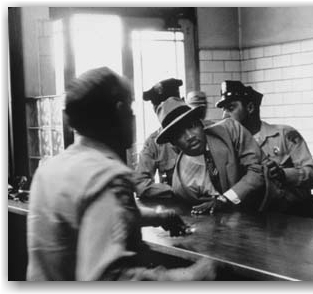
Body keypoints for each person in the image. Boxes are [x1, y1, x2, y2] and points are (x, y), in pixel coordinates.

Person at [26, 68, 216, 281]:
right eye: (131, 107)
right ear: (120, 110)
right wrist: (191, 275)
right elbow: (110, 277)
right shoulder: (105, 177)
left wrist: (159, 217)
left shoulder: (51, 170)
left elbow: (94, 216)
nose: (133, 116)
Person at [217, 80, 313, 217]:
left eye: (231, 108)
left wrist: (284, 174)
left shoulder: (284, 135)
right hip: (253, 219)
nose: (224, 116)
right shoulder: (229, 147)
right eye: (223, 110)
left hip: (293, 217)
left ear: (250, 108)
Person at [155, 96, 265, 215]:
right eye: (179, 134)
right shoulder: (182, 185)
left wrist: (225, 199)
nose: (190, 136)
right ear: (173, 142)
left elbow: (257, 170)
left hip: (268, 207)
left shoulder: (230, 130)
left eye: (192, 126)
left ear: (201, 124)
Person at [135, 78, 184, 199]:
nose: (163, 113)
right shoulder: (153, 142)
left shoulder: (206, 131)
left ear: (182, 102)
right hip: (177, 207)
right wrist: (178, 191)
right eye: (157, 109)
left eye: (169, 105)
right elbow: (140, 184)